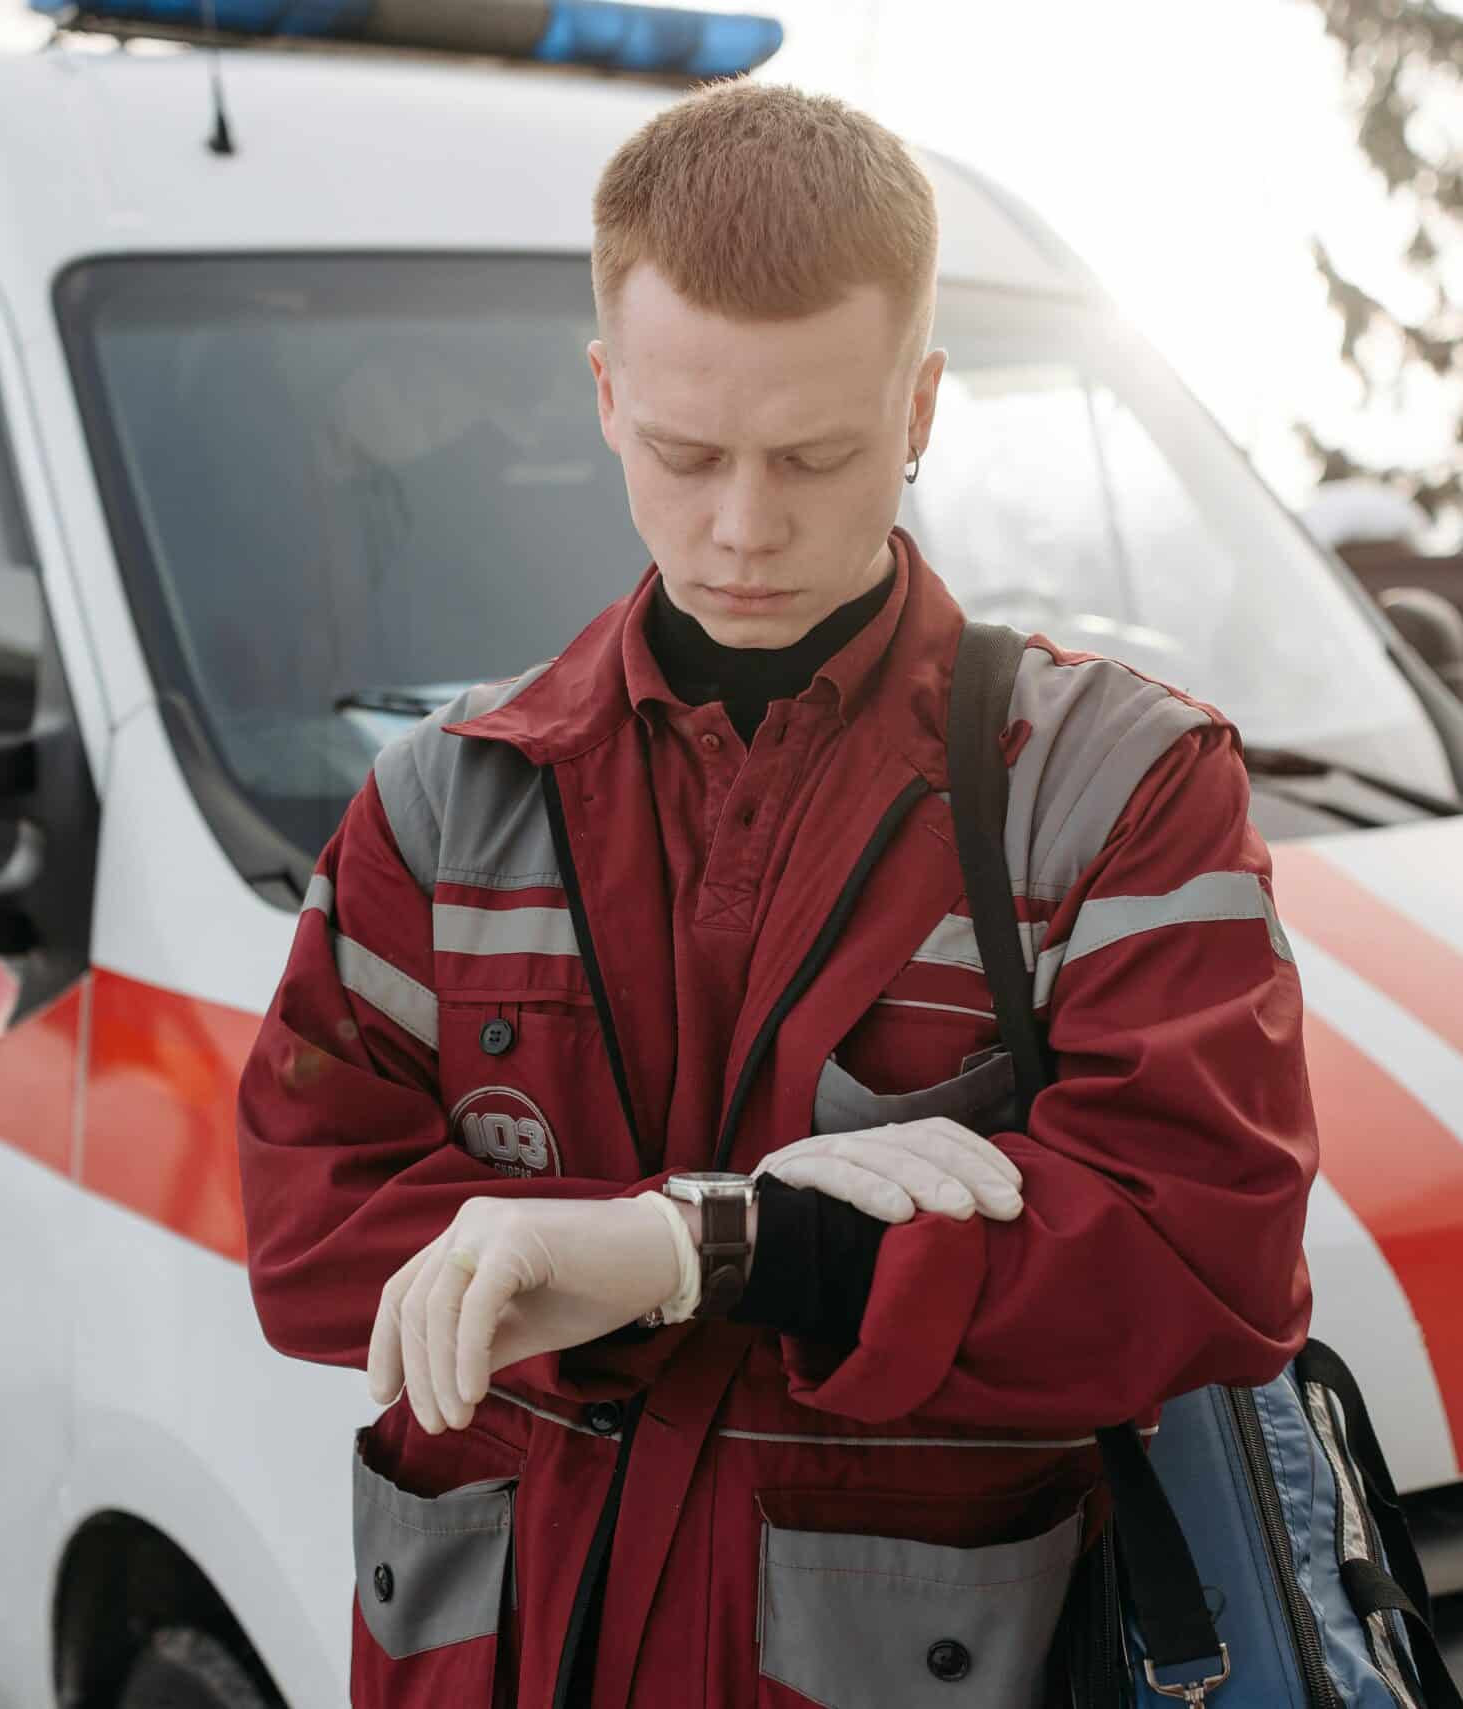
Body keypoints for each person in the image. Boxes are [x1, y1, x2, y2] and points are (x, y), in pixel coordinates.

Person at [236, 79, 1318, 1709]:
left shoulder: (1121, 789)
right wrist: (765, 1240)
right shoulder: (443, 807)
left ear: (925, 407)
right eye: (685, 450)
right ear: (604, 395)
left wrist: (714, 1250)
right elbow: (307, 1232)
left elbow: (1207, 1265)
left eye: (819, 452)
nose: (744, 527)